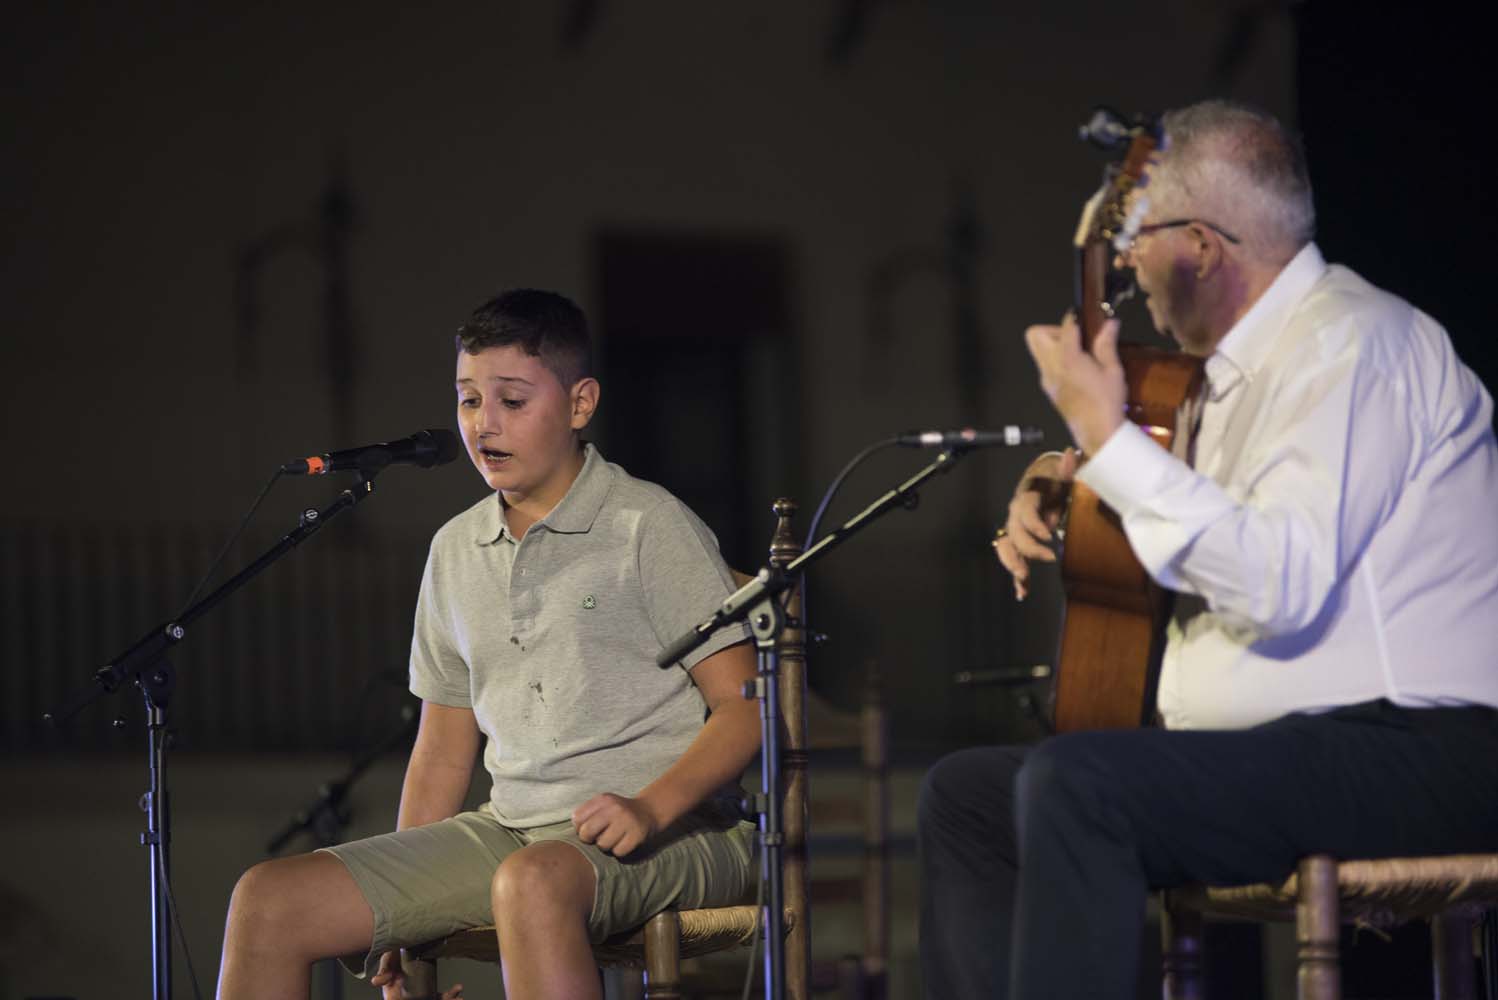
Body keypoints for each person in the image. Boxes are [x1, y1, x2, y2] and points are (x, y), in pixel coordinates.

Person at [918, 99, 1498, 998]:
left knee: (1081, 786)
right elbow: (1198, 521)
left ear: (1201, 246)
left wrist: (1106, 443)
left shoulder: (1353, 343)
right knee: (968, 797)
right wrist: (1069, 474)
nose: (1124, 266)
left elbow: (1280, 581)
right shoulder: (1217, 383)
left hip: (1418, 745)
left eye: (1137, 239)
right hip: (1284, 750)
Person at [216, 289, 760, 1000]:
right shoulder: (455, 549)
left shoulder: (646, 523)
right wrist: (398, 917)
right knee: (269, 900)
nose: (483, 425)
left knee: (531, 884)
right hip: (512, 832)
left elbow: (746, 707)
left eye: (511, 400)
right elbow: (443, 748)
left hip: (679, 831)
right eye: (468, 400)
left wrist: (650, 808)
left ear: (579, 403)